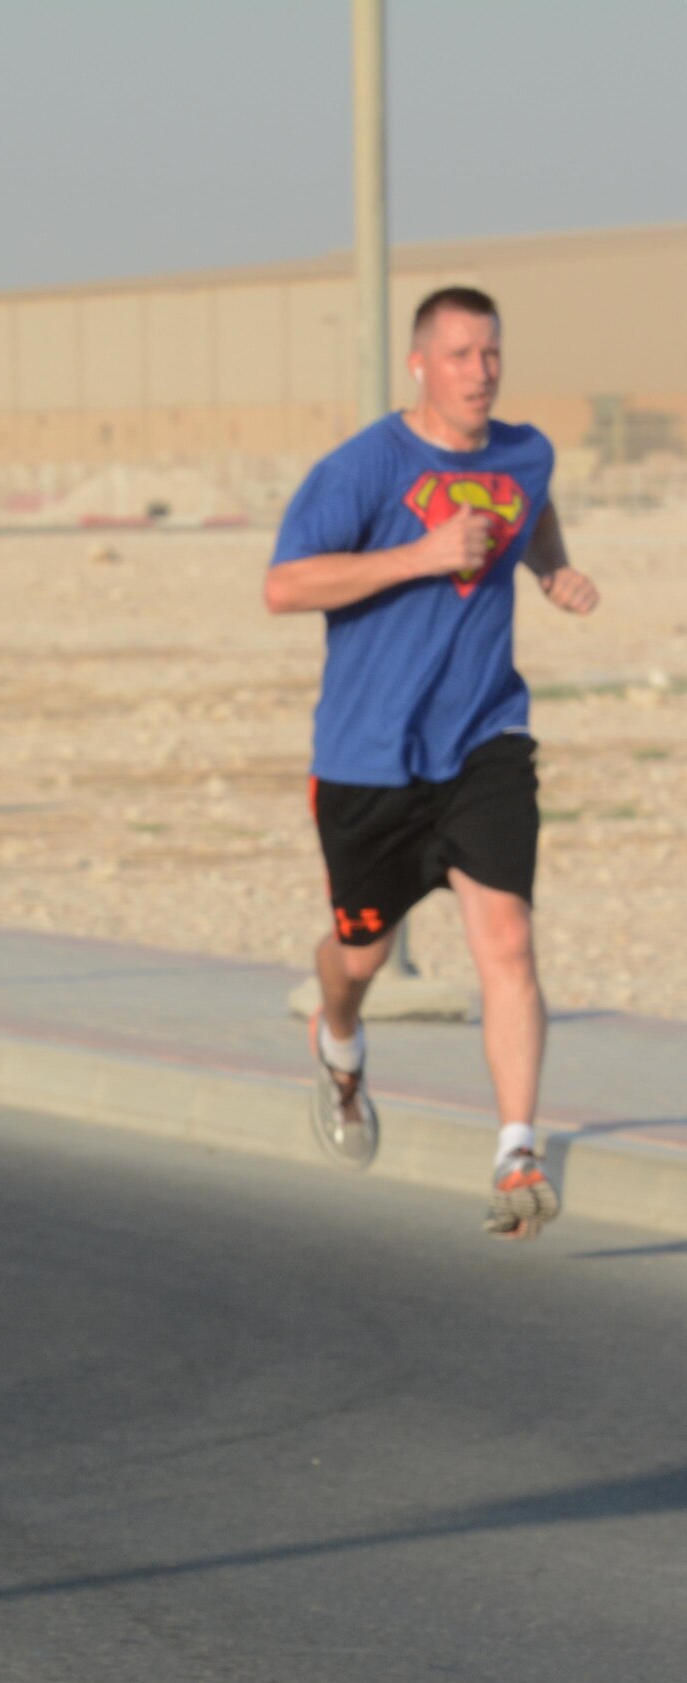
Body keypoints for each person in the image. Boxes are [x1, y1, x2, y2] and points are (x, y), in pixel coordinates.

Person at [265, 285, 598, 1237]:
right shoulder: (362, 467)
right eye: (459, 355)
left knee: (507, 940)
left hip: (485, 737)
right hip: (369, 758)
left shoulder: (524, 452)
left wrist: (549, 567)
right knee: (359, 954)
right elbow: (283, 586)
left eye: (491, 353)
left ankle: (516, 1154)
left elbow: (533, 506)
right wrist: (422, 555)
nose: (480, 373)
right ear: (420, 363)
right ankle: (337, 1039)